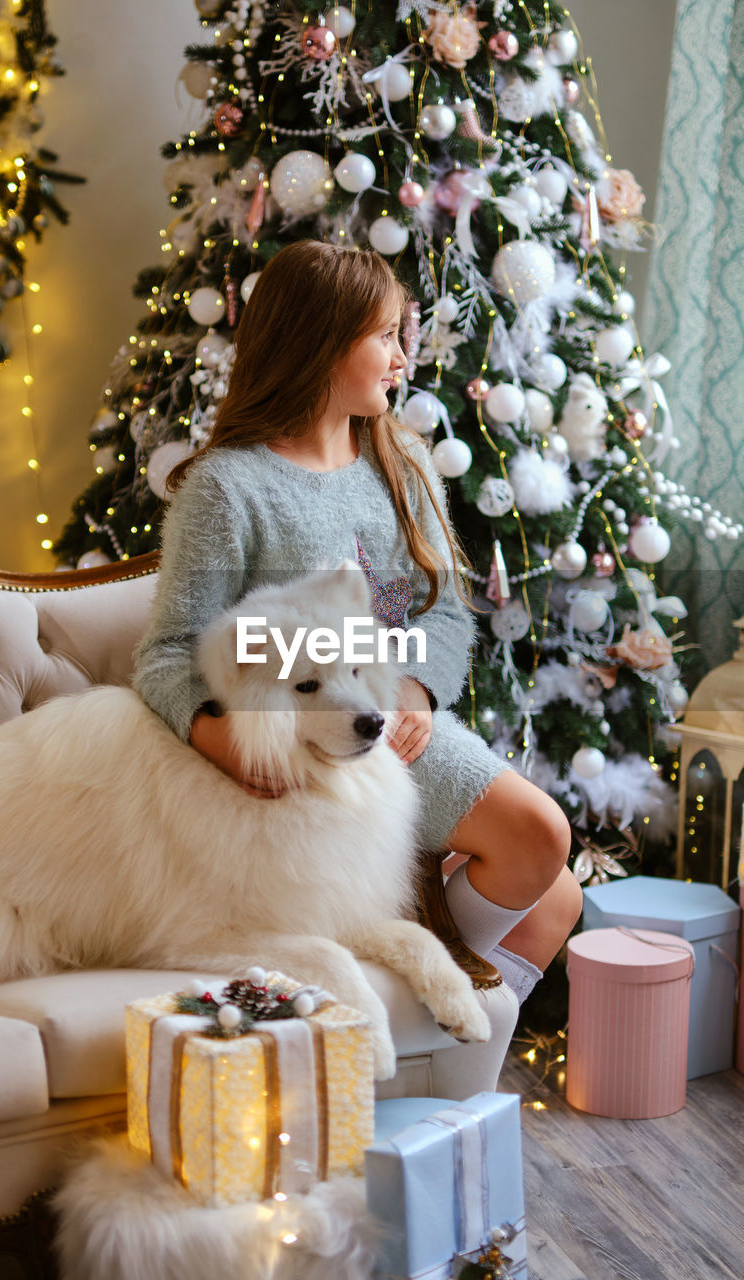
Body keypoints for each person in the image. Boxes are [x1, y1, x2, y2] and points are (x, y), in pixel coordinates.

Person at [133, 240, 583, 1004]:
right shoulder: (228, 488)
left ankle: (416, 1030)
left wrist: (415, 688)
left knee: (558, 896)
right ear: (318, 344)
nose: (403, 359)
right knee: (539, 840)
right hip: (307, 748)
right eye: (384, 338)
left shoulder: (399, 460)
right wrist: (233, 747)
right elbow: (168, 652)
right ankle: (394, 977)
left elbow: (444, 612)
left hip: (391, 721)